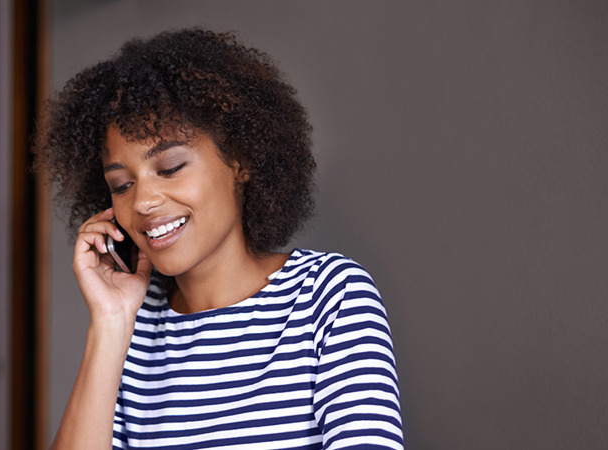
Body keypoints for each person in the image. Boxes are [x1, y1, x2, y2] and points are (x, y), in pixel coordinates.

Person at [36, 28, 402, 449]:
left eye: (170, 168)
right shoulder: (131, 329)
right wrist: (110, 323)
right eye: (121, 185)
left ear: (240, 159)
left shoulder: (328, 297)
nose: (143, 201)